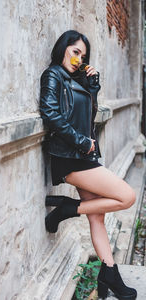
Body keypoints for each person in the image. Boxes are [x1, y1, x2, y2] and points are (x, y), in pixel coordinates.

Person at [39, 30, 137, 299]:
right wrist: (82, 142)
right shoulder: (53, 75)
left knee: (98, 217)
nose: (78, 58)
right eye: (75, 51)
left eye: (83, 55)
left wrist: (92, 87)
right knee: (127, 197)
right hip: (70, 157)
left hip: (83, 155)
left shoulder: (77, 80)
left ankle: (109, 274)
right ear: (63, 49)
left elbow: (87, 118)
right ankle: (68, 209)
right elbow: (50, 113)